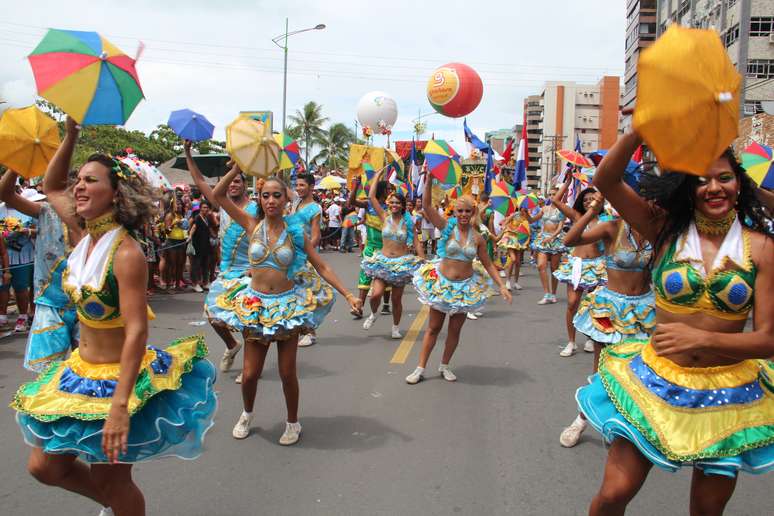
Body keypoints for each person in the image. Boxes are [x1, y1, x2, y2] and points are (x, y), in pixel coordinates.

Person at [12, 118, 216, 516]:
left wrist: (121, 406)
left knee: (114, 480)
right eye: (80, 180)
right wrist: (71, 135)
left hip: (119, 380)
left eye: (91, 180)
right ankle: (118, 507)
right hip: (78, 373)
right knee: (44, 466)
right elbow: (52, 185)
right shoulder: (83, 233)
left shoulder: (126, 253)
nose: (80, 187)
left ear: (115, 192)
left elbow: (137, 330)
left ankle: (121, 505)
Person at [577, 129, 774, 515]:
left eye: (724, 177)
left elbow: (768, 340)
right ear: (687, 188)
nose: (713, 188)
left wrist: (699, 339)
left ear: (739, 184)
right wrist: (642, 128)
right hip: (654, 382)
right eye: (701, 180)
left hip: (728, 396)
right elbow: (605, 180)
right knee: (613, 494)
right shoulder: (665, 230)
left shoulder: (763, 248)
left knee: (705, 511)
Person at [209, 167, 362, 445]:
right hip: (255, 306)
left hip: (286, 307)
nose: (270, 201)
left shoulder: (295, 233)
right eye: (265, 195)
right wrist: (235, 167)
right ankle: (247, 413)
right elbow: (218, 194)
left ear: (285, 199)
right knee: (251, 373)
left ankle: (293, 422)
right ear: (260, 199)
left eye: (276, 195)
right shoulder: (250, 224)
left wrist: (348, 295)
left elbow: (322, 265)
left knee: (287, 372)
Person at [558, 190, 655, 448]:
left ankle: (624, 422)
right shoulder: (612, 227)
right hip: (611, 307)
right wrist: (592, 210)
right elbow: (570, 239)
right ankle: (581, 419)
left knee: (639, 371)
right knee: (602, 369)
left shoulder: (658, 231)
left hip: (645, 310)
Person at [405, 184, 512, 385]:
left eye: (467, 211)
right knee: (433, 328)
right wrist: (428, 180)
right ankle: (420, 368)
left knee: (455, 330)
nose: (463, 214)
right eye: (460, 211)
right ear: (454, 212)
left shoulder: (479, 238)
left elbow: (488, 263)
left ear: (473, 213)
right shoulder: (447, 228)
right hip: (442, 286)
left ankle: (444, 365)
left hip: (465, 289)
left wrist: (502, 285)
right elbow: (427, 206)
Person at [185, 140, 257, 377]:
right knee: (213, 316)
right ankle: (231, 345)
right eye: (230, 181)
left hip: (249, 270)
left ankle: (248, 367)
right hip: (226, 270)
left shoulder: (256, 208)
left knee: (246, 319)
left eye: (237, 181)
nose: (233, 184)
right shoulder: (223, 205)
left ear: (245, 185)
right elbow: (199, 181)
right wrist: (188, 152)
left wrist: (258, 268)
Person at [0, 171, 81, 371]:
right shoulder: (45, 211)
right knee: (48, 375)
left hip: (87, 303)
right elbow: (5, 193)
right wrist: (16, 165)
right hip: (50, 302)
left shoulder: (94, 216)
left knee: (89, 371)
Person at [361, 168, 425, 338]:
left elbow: (417, 243)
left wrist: (424, 262)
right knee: (375, 295)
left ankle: (395, 327)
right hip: (382, 262)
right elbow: (371, 197)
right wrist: (376, 177)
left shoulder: (409, 222)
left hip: (401, 264)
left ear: (402, 205)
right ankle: (373, 314)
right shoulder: (384, 216)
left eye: (398, 203)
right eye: (392, 202)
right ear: (389, 204)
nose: (394, 205)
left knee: (396, 300)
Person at [551, 178, 607, 357]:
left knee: (596, 305)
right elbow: (556, 201)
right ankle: (571, 341)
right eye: (585, 200)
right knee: (572, 303)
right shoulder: (577, 217)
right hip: (577, 266)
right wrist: (567, 182)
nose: (589, 202)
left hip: (598, 267)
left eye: (592, 199)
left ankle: (591, 338)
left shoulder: (607, 220)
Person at [348, 176, 391, 318]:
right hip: (371, 248)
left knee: (386, 277)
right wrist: (356, 185)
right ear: (381, 190)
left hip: (386, 249)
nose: (390, 191)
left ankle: (385, 304)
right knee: (365, 276)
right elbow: (351, 202)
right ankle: (359, 308)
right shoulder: (368, 204)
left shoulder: (391, 206)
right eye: (388, 189)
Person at [289, 173, 323, 348]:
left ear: (311, 187)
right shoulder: (295, 202)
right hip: (289, 255)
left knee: (306, 294)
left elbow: (316, 236)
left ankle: (311, 332)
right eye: (297, 185)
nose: (298, 188)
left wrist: (304, 251)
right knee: (293, 293)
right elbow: (280, 186)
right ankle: (297, 328)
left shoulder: (315, 208)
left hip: (305, 257)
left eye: (302, 185)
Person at [0, 187, 37, 333]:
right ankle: (2, 314)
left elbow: (38, 229)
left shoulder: (26, 208)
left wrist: (27, 231)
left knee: (21, 287)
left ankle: (23, 315)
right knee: (3, 287)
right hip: (3, 255)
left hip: (24, 255)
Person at [532, 188, 567, 305]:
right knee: (541, 265)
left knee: (554, 269)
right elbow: (532, 219)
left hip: (556, 240)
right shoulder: (543, 209)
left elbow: (560, 227)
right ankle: (546, 293)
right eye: (550, 195)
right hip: (543, 239)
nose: (552, 196)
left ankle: (553, 294)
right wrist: (525, 214)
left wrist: (552, 237)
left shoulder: (561, 210)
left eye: (554, 194)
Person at [496, 208, 538, 291]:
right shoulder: (515, 214)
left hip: (519, 239)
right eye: (523, 207)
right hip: (511, 238)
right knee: (513, 259)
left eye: (525, 208)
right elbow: (504, 223)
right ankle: (508, 282)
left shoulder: (526, 217)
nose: (524, 209)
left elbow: (531, 223)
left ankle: (515, 282)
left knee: (518, 262)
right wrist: (509, 228)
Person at [188, 201, 215, 293]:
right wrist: (190, 236)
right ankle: (195, 284)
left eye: (207, 207)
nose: (206, 209)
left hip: (206, 245)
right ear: (200, 208)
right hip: (197, 245)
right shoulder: (197, 218)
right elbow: (193, 228)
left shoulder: (207, 218)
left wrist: (215, 236)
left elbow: (210, 230)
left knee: (205, 265)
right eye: (204, 207)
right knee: (196, 265)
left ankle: (205, 283)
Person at [162, 198, 188, 291]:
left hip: (181, 242)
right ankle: (169, 285)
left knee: (179, 264)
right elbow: (166, 231)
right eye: (177, 204)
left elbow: (184, 229)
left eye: (180, 204)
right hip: (172, 242)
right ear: (172, 205)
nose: (179, 206)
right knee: (171, 265)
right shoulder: (170, 215)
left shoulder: (181, 215)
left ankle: (177, 285)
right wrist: (173, 224)